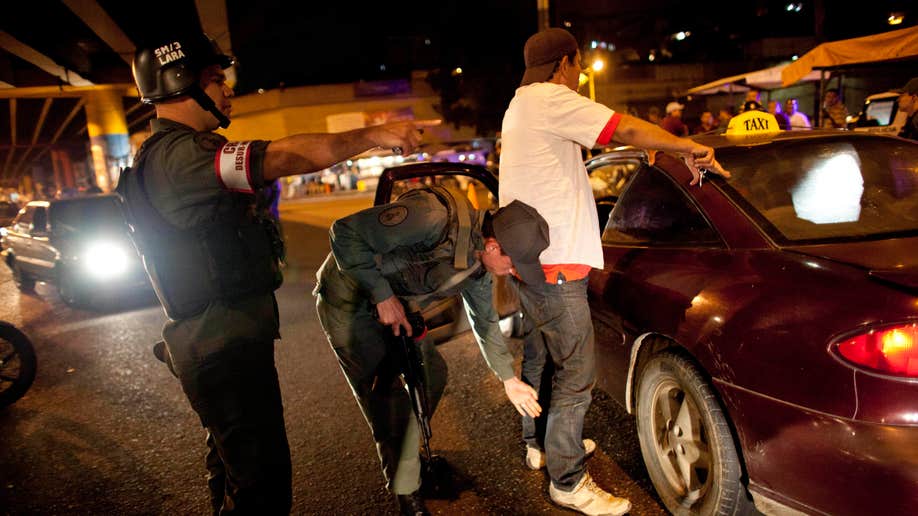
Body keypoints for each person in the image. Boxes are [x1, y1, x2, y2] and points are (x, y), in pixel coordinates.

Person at [118, 32, 434, 515]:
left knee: (236, 475)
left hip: (222, 344)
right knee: (263, 492)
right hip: (221, 350)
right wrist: (370, 135)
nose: (227, 91)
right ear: (182, 83)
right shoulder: (179, 157)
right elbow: (281, 156)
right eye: (215, 79)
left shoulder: (177, 153)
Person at [499, 27, 728, 516]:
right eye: (578, 63)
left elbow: (576, 157)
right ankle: (567, 480)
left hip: (530, 262)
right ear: (563, 64)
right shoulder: (552, 98)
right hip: (556, 262)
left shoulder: (520, 104)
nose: (580, 73)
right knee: (578, 372)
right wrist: (684, 146)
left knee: (543, 357)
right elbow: (622, 127)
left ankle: (541, 445)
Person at [314, 194, 545, 515]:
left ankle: (403, 448)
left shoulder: (478, 266)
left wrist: (509, 379)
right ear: (493, 246)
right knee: (385, 400)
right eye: (513, 264)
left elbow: (486, 323)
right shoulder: (431, 217)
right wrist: (381, 296)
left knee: (432, 374)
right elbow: (344, 232)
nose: (512, 273)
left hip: (396, 303)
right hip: (349, 302)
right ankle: (406, 492)